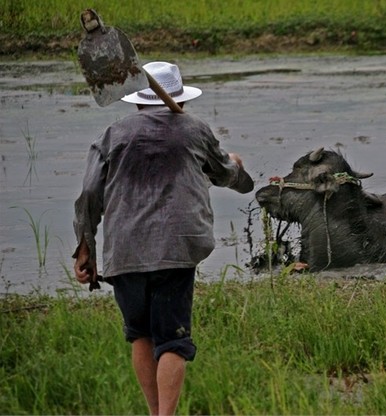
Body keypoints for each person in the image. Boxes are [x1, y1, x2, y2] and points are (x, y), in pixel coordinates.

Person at [72, 61, 254, 415]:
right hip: (175, 248)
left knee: (140, 333)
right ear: (180, 100)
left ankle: (155, 413)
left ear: (139, 102)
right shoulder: (194, 130)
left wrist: (85, 247)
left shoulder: (113, 135)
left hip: (125, 250)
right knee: (172, 338)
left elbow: (89, 195)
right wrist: (236, 166)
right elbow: (225, 173)